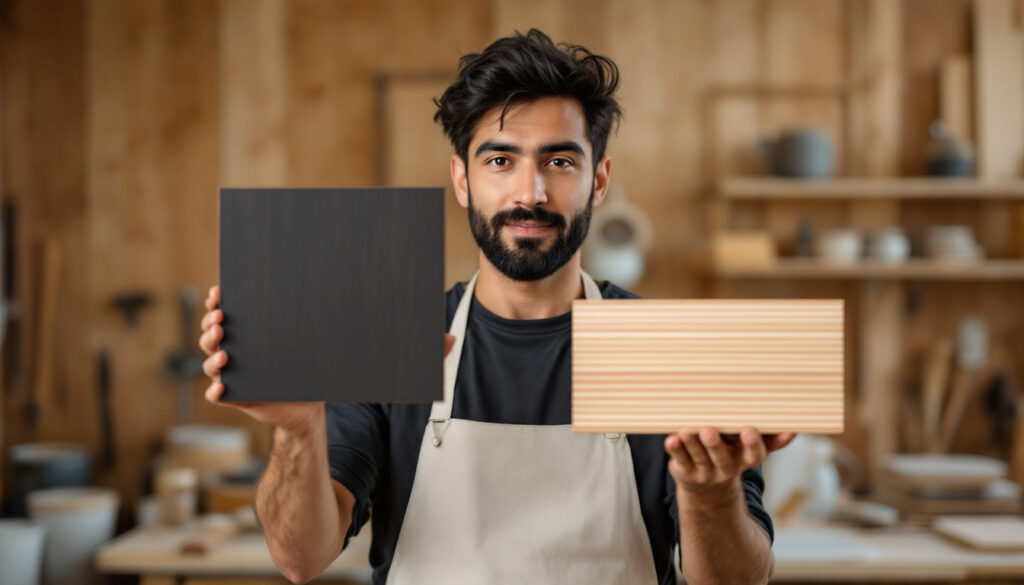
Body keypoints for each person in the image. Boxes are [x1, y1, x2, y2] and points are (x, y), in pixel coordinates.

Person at [198, 29, 795, 585]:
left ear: (600, 180)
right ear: (462, 179)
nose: (529, 192)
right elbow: (299, 559)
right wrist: (300, 430)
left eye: (560, 162)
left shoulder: (668, 350)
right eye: (500, 160)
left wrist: (710, 494)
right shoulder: (394, 336)